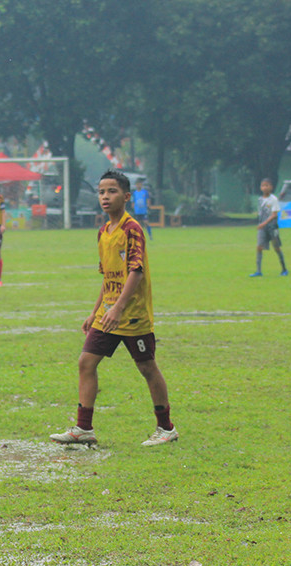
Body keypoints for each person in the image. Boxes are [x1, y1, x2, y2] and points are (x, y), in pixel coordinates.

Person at [49, 170, 178, 448]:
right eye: (101, 192)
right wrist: (96, 311)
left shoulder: (132, 229)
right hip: (108, 315)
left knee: (146, 367)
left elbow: (136, 271)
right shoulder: (103, 232)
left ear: (126, 196)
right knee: (86, 362)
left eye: (112, 191)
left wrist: (118, 308)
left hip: (132, 315)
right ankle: (84, 428)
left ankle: (166, 428)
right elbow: (109, 277)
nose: (105, 197)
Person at [250, 177, 288, 277]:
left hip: (272, 227)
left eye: (267, 185)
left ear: (271, 187)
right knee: (259, 247)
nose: (265, 187)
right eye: (263, 185)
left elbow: (274, 214)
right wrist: (260, 223)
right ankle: (258, 271)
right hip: (262, 228)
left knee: (276, 248)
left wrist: (264, 223)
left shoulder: (274, 199)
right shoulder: (260, 199)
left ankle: (284, 269)